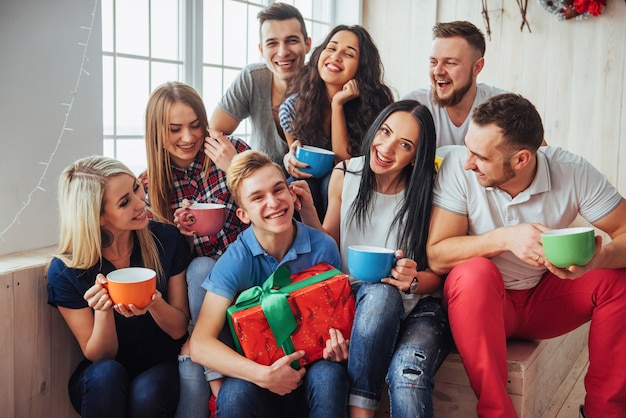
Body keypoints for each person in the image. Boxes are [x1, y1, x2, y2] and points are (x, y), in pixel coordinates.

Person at [426, 93, 626, 418]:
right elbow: (437, 255)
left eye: (480, 156)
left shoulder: (572, 171)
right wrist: (506, 238)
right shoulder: (458, 170)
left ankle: (605, 413)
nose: (467, 162)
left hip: (545, 300)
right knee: (472, 273)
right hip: (483, 305)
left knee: (619, 279)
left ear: (521, 159)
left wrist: (596, 260)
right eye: (467, 148)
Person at [294, 100, 452, 418]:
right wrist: (309, 208)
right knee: (379, 294)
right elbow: (330, 244)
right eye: (385, 132)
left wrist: (415, 279)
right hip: (356, 299)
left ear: (415, 157)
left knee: (386, 298)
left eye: (404, 145)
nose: (386, 148)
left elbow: (439, 273)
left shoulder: (428, 193)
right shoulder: (346, 172)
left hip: (415, 305)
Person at [189, 150, 350, 418]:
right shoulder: (236, 259)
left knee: (329, 376)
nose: (273, 203)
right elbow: (200, 344)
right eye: (258, 198)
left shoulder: (322, 247)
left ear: (291, 193)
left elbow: (337, 321)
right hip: (259, 381)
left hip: (312, 373)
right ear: (243, 214)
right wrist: (264, 376)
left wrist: (339, 348)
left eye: (278, 190)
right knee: (234, 393)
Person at [47, 156, 191, 417]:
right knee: (106, 374)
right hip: (103, 378)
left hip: (160, 365)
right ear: (99, 217)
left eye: (136, 188)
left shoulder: (167, 240)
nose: (140, 202)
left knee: (146, 392)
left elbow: (179, 329)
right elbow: (100, 357)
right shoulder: (67, 270)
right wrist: (103, 311)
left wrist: (155, 302)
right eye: (125, 202)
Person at [139, 81, 250, 417]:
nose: (188, 137)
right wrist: (183, 237)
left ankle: (197, 345)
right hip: (197, 294)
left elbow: (272, 215)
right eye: (175, 129)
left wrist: (236, 170)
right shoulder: (148, 185)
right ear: (157, 132)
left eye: (195, 125)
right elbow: (174, 266)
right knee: (200, 268)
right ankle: (200, 353)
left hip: (247, 274)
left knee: (205, 270)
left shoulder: (233, 151)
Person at [281, 24, 394, 219]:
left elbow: (344, 163)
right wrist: (289, 160)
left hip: (354, 188)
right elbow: (296, 157)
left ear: (362, 68)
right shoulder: (293, 108)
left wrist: (338, 105)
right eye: (331, 48)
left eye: (349, 54)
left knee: (333, 180)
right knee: (296, 183)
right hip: (312, 188)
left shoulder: (375, 108)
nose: (336, 56)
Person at [208, 2, 311, 167]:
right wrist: (237, 167)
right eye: (272, 43)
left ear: (307, 44)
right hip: (258, 183)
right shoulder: (252, 79)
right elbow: (213, 134)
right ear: (261, 50)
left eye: (291, 40)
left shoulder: (322, 84)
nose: (283, 52)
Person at [401, 20, 507, 148]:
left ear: (477, 67)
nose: (437, 71)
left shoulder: (503, 106)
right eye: (434, 62)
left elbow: (535, 152)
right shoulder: (413, 106)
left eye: (450, 63)